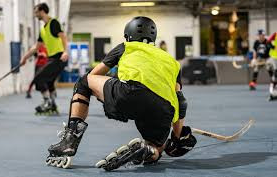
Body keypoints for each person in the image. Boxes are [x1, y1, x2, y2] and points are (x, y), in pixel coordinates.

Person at [46, 16, 197, 170]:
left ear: (128, 35)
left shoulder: (126, 46)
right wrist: (177, 137)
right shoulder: (172, 62)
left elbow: (94, 75)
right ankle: (147, 150)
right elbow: (180, 101)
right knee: (157, 149)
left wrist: (112, 81)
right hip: (163, 109)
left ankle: (69, 140)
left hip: (131, 93)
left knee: (84, 82)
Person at [20, 3, 69, 114]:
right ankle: (52, 105)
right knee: (49, 82)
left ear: (42, 11)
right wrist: (24, 58)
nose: (35, 14)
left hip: (60, 58)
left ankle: (47, 103)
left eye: (36, 12)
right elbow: (36, 47)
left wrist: (66, 52)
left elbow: (63, 37)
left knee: (39, 78)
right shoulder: (43, 29)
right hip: (51, 58)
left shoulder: (53, 23)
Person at [266, 32, 277, 100]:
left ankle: (273, 93)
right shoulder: (275, 34)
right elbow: (268, 42)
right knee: (274, 76)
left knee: (275, 76)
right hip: (273, 58)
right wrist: (272, 47)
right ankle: (272, 93)